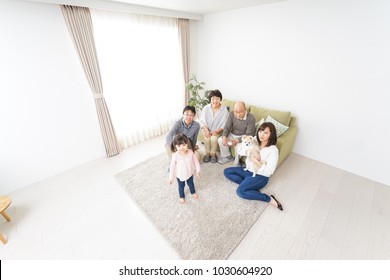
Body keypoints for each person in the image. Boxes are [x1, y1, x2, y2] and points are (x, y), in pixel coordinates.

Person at [223, 122, 283, 211]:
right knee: (227, 171)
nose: (261, 135)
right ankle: (250, 185)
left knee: (240, 192)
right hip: (248, 170)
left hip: (260, 176)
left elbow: (269, 171)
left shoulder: (273, 150)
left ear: (271, 135)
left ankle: (268, 198)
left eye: (266, 133)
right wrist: (247, 150)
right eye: (260, 131)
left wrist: (255, 161)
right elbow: (240, 151)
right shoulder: (254, 140)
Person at [169, 134, 201, 204]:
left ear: (187, 143)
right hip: (180, 175)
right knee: (181, 186)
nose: (182, 148)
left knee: (191, 184)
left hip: (189, 172)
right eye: (179, 146)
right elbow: (172, 166)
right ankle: (181, 196)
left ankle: (193, 192)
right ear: (175, 146)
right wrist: (171, 177)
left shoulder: (190, 152)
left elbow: (195, 161)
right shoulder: (175, 155)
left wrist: (198, 170)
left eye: (184, 145)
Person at [199, 90, 229, 163]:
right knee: (207, 138)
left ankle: (213, 154)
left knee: (214, 139)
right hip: (206, 129)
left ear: (220, 99)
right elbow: (201, 120)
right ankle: (207, 153)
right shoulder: (206, 108)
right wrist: (206, 130)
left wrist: (217, 131)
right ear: (210, 99)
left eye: (217, 98)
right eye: (213, 99)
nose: (215, 101)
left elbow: (225, 123)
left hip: (217, 130)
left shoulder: (224, 110)